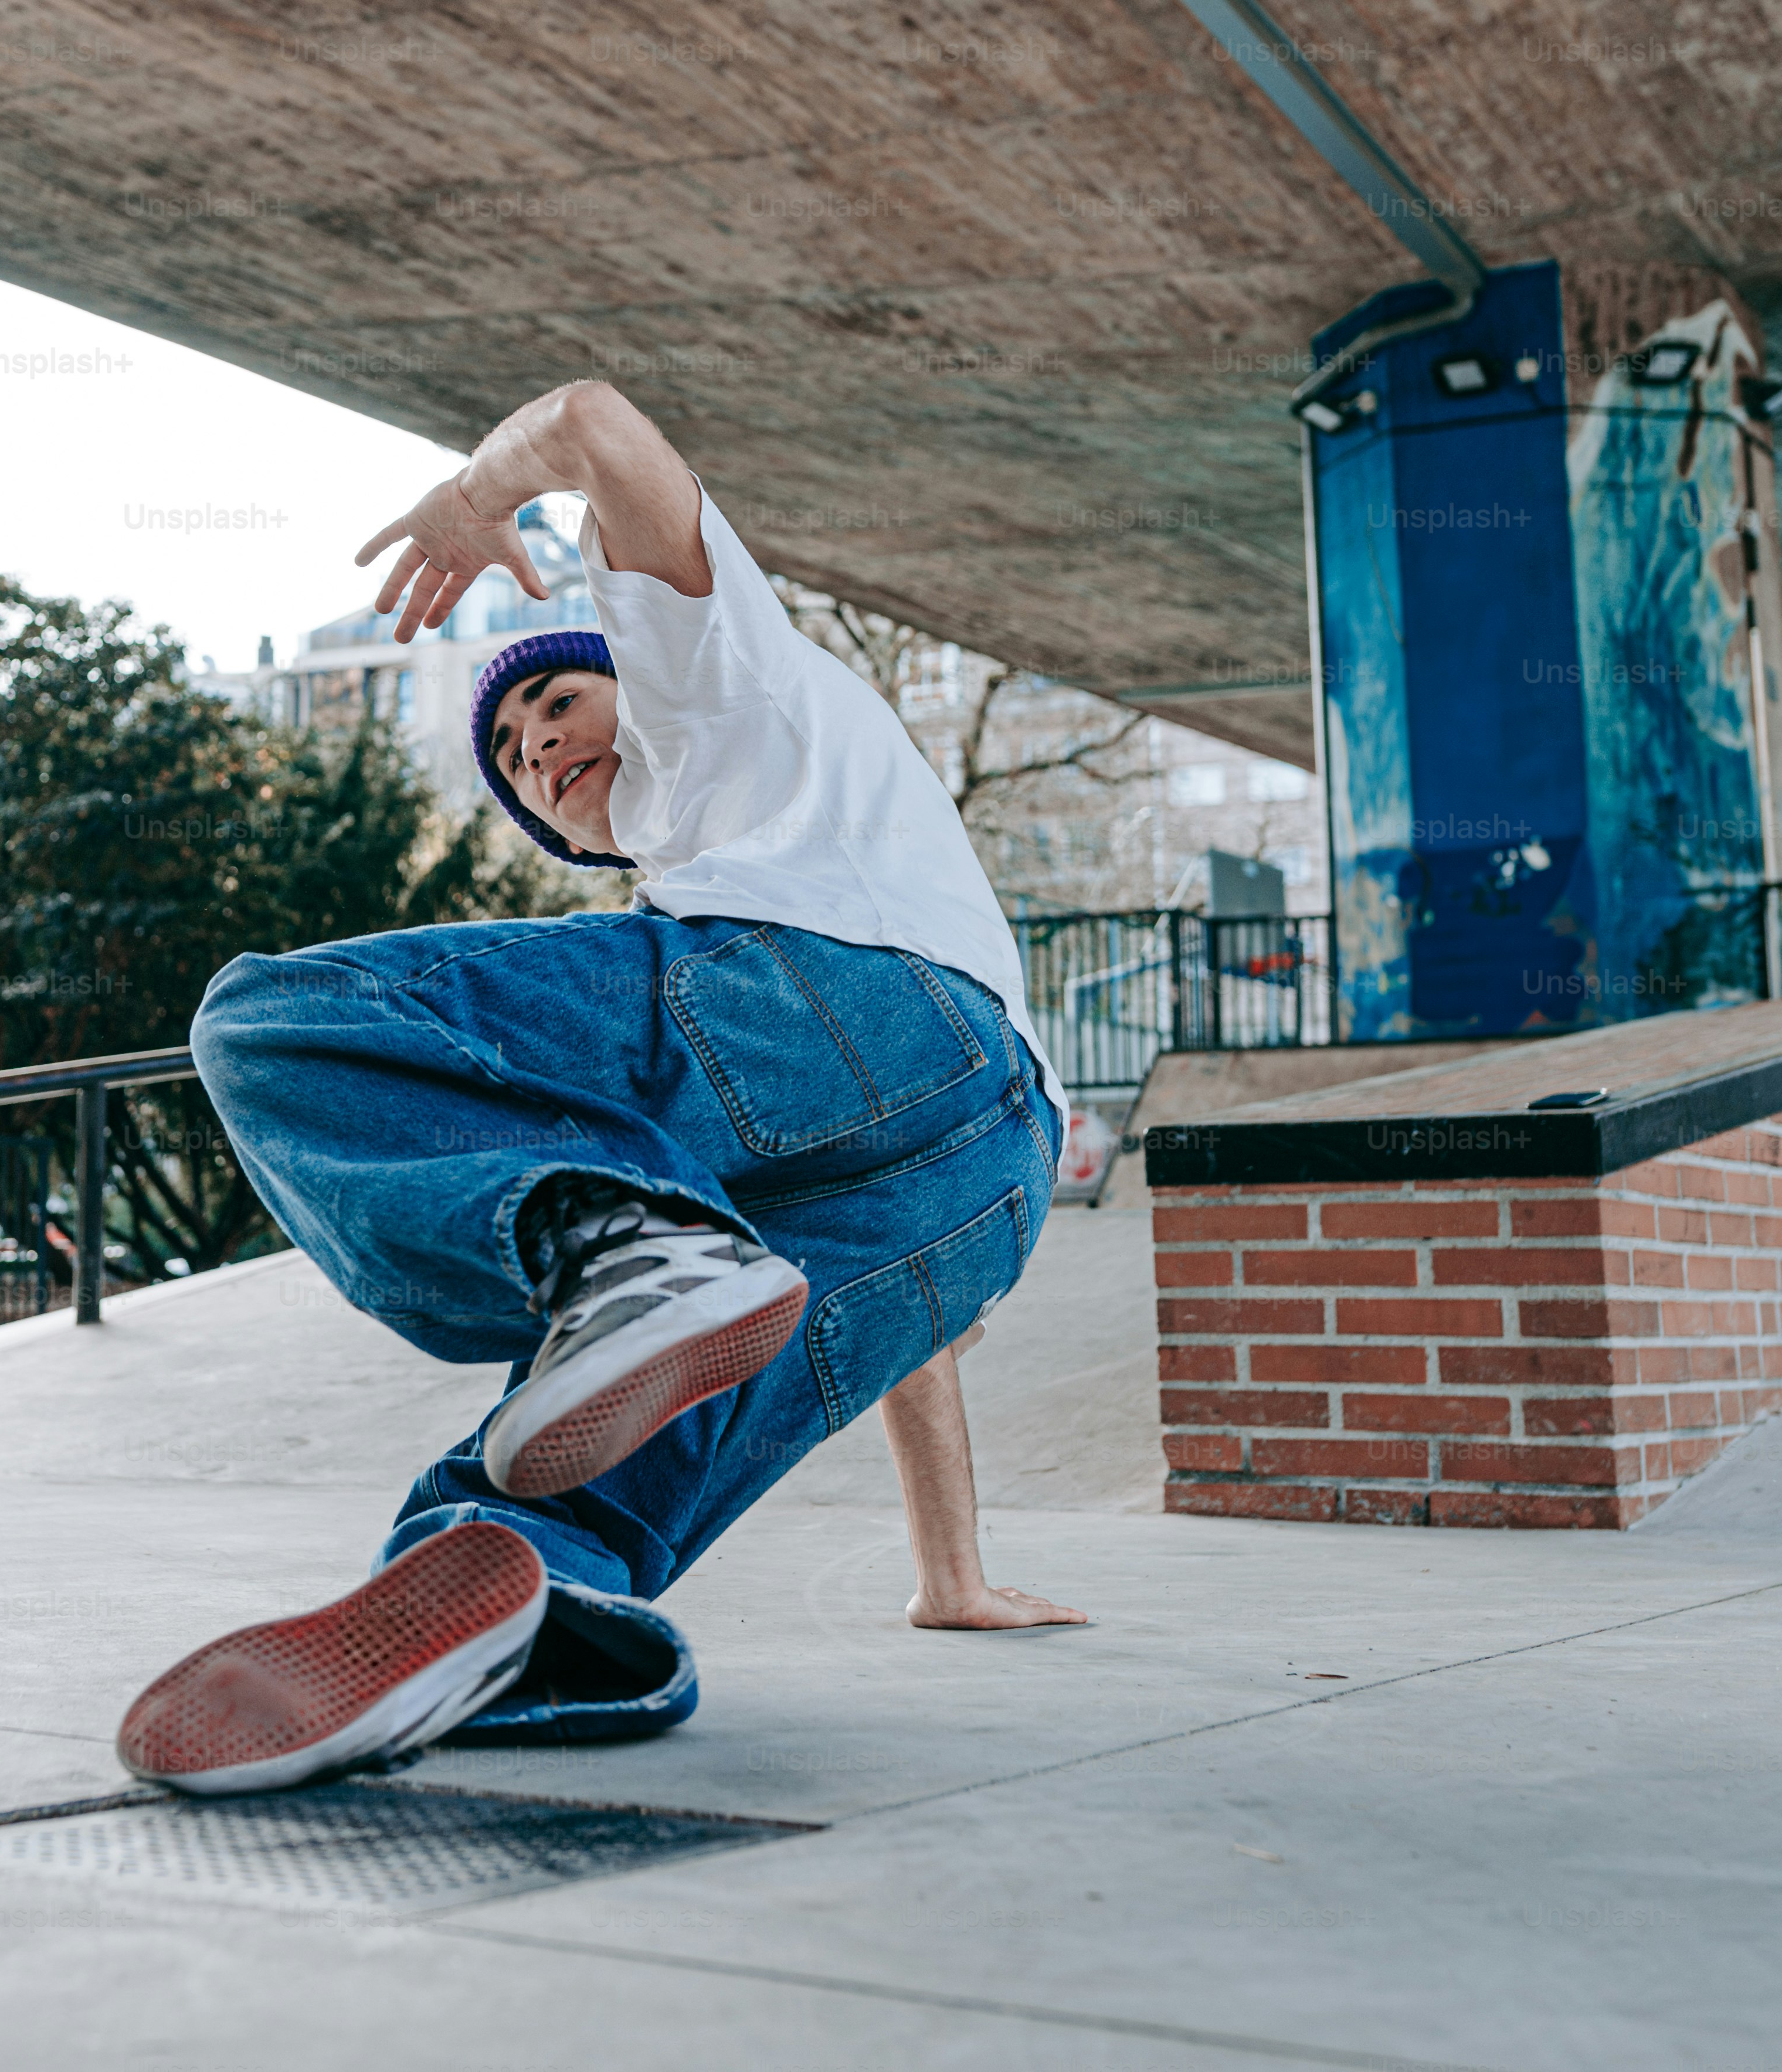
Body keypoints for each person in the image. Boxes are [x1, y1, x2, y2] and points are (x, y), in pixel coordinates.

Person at [115, 382, 1081, 1795]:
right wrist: (953, 1575)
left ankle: (616, 1250)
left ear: (625, 675)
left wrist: (473, 500)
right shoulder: (720, 868)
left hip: (838, 1007)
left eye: (558, 701)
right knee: (609, 1440)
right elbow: (909, 1340)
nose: (540, 745)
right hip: (992, 1181)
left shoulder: (713, 688)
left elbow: (592, 421)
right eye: (512, 755)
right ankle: (534, 1624)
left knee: (282, 1020)